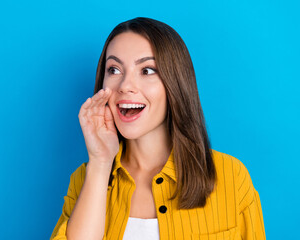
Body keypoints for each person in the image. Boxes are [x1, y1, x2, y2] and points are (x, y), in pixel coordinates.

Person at [50, 17, 266, 240]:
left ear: (175, 82)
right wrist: (100, 162)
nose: (125, 86)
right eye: (114, 70)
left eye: (147, 70)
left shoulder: (231, 176)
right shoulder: (85, 179)